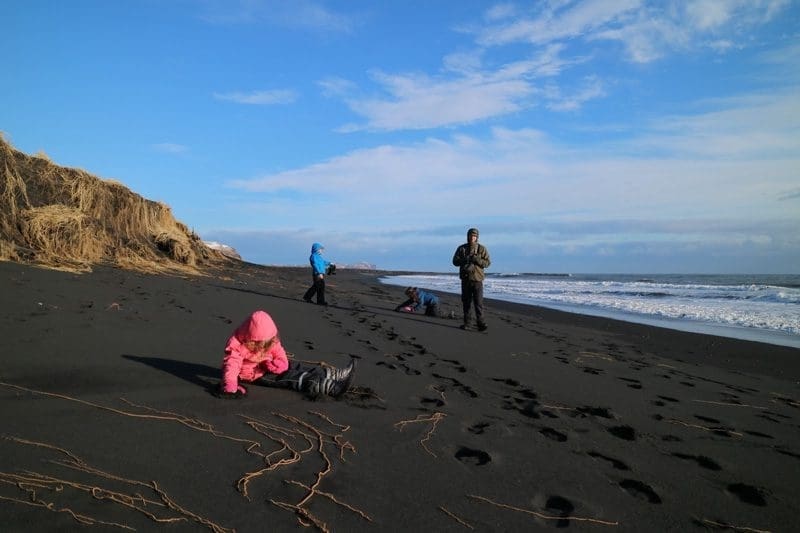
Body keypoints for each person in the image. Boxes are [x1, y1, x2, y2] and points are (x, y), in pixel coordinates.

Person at [217, 310, 356, 399]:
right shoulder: (236, 345)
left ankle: (335, 375)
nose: (265, 346)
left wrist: (281, 363)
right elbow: (231, 366)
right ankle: (330, 387)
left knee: (296, 366)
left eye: (268, 342)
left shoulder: (271, 340)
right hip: (255, 375)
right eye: (261, 343)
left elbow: (279, 351)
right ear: (251, 338)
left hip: (271, 365)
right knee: (293, 378)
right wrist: (230, 385)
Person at [452, 227, 491, 331]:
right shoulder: (462, 248)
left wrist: (477, 259)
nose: (472, 237)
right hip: (465, 280)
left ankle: (480, 323)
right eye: (470, 235)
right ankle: (467, 323)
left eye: (474, 236)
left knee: (478, 303)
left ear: (477, 237)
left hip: (478, 280)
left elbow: (487, 263)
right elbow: (455, 262)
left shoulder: (482, 249)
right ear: (467, 236)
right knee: (466, 303)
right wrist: (465, 259)